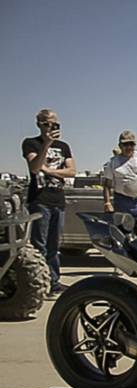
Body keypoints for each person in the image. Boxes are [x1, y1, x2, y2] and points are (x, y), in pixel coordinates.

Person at [21, 109, 76, 295]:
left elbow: (71, 171)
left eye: (54, 124)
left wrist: (50, 171)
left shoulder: (64, 146)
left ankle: (53, 282)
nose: (50, 127)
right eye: (46, 124)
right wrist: (46, 145)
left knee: (54, 246)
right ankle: (38, 283)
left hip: (58, 200)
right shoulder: (31, 143)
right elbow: (35, 168)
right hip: (40, 200)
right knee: (39, 245)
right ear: (39, 124)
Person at [102, 130, 137, 219]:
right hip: (122, 202)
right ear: (120, 146)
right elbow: (107, 185)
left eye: (131, 144)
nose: (129, 147)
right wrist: (107, 203)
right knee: (123, 228)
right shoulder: (113, 162)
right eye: (125, 145)